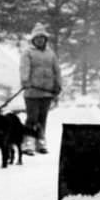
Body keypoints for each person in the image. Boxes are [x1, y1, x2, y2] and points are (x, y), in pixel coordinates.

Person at [19, 23, 62, 154]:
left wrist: (58, 85)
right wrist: (25, 81)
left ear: (45, 39)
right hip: (32, 92)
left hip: (47, 92)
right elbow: (24, 68)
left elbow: (57, 70)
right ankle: (28, 142)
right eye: (37, 38)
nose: (40, 40)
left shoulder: (51, 54)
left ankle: (40, 141)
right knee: (32, 118)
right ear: (33, 39)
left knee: (42, 118)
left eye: (42, 38)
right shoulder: (28, 52)